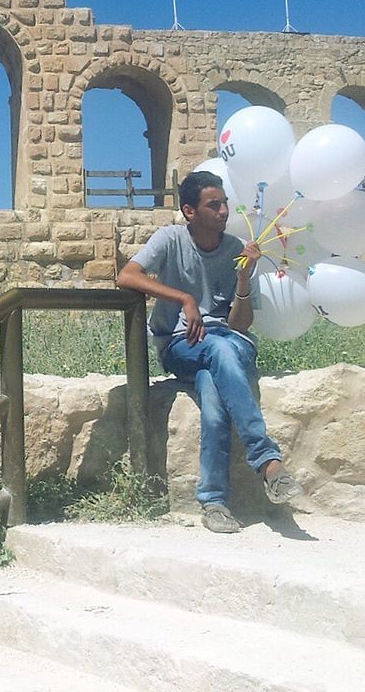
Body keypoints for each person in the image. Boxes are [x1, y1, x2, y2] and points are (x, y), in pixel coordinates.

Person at [117, 170, 304, 533]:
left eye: (225, 204)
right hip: (180, 345)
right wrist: (183, 297)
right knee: (217, 354)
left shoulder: (237, 249)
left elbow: (240, 326)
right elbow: (127, 275)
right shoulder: (170, 239)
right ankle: (267, 463)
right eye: (213, 205)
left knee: (214, 388)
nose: (223, 211)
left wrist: (245, 278)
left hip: (229, 344)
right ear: (190, 211)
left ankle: (214, 502)